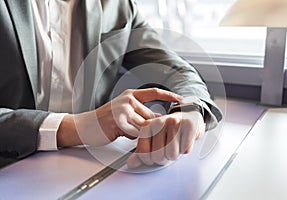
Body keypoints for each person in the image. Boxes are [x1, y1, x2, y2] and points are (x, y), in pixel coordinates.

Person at [0, 0, 222, 168]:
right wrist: (76, 127)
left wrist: (190, 109)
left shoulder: (117, 5)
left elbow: (175, 70)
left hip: (82, 171)